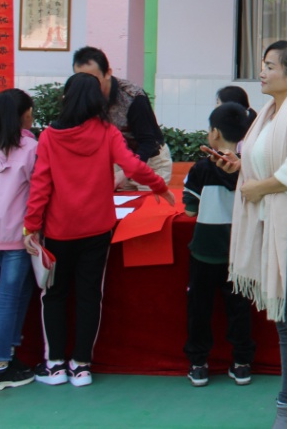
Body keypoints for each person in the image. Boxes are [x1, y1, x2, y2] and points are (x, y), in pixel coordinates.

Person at [210, 40, 287, 429]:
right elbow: (266, 159)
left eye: (269, 66)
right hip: (280, 221)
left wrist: (256, 188)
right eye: (263, 64)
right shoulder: (271, 111)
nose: (262, 72)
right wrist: (239, 166)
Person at [23, 73, 174, 388]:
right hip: (97, 229)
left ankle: (55, 365)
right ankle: (81, 366)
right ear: (97, 101)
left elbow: (40, 184)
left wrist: (31, 226)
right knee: (90, 294)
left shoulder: (49, 136)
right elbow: (133, 166)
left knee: (54, 295)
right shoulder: (107, 132)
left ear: (66, 99)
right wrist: (159, 185)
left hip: (59, 231)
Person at [182, 103, 256, 388]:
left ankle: (199, 363)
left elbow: (190, 210)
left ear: (214, 133)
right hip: (238, 251)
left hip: (205, 250)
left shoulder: (201, 169)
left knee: (199, 309)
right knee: (239, 308)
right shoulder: (249, 168)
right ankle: (242, 364)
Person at [0, 89, 38, 393]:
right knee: (7, 299)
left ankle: (10, 353)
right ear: (23, 115)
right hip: (18, 235)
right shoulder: (30, 148)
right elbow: (40, 190)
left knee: (19, 291)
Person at [72, 47, 172, 189]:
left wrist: (126, 172)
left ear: (108, 73)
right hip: (120, 162)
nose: (86, 86)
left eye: (93, 79)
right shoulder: (81, 98)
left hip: (151, 161)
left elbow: (148, 142)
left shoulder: (132, 96)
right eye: (80, 80)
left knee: (147, 202)